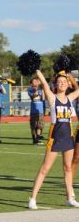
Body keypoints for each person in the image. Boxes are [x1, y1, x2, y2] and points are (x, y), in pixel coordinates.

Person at [29, 70, 79, 209]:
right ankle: (32, 198)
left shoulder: (70, 99)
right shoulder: (52, 98)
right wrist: (38, 71)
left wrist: (69, 76)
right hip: (55, 137)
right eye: (59, 82)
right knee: (45, 169)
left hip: (68, 138)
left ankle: (69, 197)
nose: (62, 83)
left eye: (64, 82)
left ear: (68, 84)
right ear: (56, 85)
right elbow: (44, 83)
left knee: (68, 168)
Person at [28, 77, 45, 145]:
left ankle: (37, 139)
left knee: (40, 125)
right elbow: (34, 96)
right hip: (33, 111)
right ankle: (34, 139)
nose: (36, 83)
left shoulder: (40, 89)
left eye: (36, 81)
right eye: (34, 82)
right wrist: (37, 89)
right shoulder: (30, 89)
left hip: (40, 110)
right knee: (33, 125)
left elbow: (43, 98)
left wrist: (43, 88)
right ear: (31, 84)